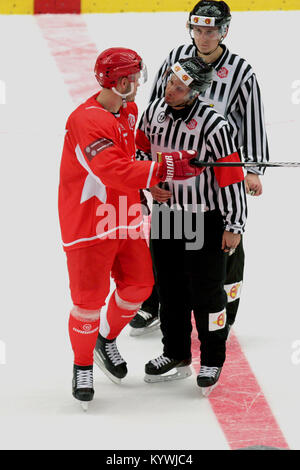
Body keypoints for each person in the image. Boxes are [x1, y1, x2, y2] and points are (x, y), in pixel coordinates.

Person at [58, 47, 204, 409]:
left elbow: (130, 159)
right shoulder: (86, 120)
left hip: (123, 215)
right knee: (88, 303)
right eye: (136, 78)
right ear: (122, 81)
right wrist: (166, 168)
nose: (140, 83)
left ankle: (104, 339)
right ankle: (81, 365)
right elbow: (112, 170)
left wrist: (149, 183)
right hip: (89, 224)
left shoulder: (129, 111)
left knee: (139, 284)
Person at [129, 0, 269, 336]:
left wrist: (251, 169)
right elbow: (155, 109)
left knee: (226, 241)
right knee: (165, 237)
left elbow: (251, 121)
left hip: (217, 169)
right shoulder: (176, 56)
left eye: (210, 31)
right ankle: (156, 301)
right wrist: (148, 168)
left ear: (224, 31)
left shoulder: (241, 71)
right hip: (175, 168)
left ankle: (226, 305)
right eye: (197, 29)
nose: (203, 37)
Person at [135, 56, 247, 394]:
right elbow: (138, 153)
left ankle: (213, 357)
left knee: (207, 292)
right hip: (168, 216)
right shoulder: (153, 112)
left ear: (195, 92)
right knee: (170, 290)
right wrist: (149, 184)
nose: (169, 90)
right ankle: (176, 354)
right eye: (170, 82)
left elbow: (231, 178)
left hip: (205, 217)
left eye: (179, 87)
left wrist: (234, 225)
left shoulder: (215, 125)